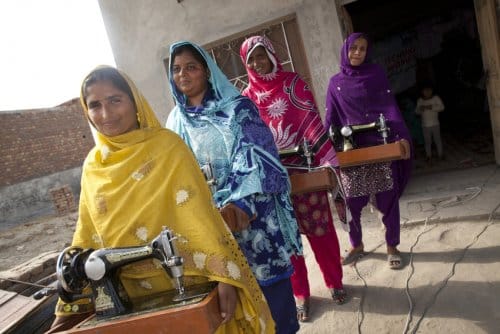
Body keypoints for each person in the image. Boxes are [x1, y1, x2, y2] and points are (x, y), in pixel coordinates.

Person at [49, 66, 275, 333]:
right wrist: (69, 303)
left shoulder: (168, 147)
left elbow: (201, 218)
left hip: (189, 281)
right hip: (128, 296)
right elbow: (86, 232)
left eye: (115, 100)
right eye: (95, 105)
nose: (106, 114)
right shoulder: (93, 166)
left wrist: (225, 277)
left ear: (135, 104)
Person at [165, 41, 303, 334]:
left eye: (191, 67)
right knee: (229, 310)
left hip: (248, 216)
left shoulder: (238, 109)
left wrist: (235, 201)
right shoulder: (175, 121)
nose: (183, 75)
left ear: (206, 71)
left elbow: (254, 154)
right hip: (206, 222)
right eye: (176, 69)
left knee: (274, 308)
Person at [239, 35, 347, 322]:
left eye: (262, 55)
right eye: (251, 59)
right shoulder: (246, 98)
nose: (258, 63)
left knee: (320, 231)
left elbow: (310, 120)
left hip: (304, 168)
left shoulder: (292, 83)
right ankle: (300, 293)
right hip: (272, 182)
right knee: (287, 240)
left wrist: (327, 158)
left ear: (272, 55)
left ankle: (335, 281)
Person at [325, 32, 412, 270]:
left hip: (380, 148)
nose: (358, 53)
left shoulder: (377, 75)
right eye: (354, 48)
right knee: (352, 203)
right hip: (352, 153)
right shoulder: (335, 83)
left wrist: (401, 137)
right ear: (346, 50)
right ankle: (357, 244)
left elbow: (389, 107)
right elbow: (331, 118)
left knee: (388, 200)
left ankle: (392, 245)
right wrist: (326, 150)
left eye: (362, 49)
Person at [415, 82, 445, 163]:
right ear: (422, 91)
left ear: (432, 91)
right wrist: (420, 109)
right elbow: (416, 112)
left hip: (435, 124)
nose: (427, 92)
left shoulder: (436, 98)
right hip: (425, 125)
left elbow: (442, 107)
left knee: (437, 140)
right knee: (427, 141)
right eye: (425, 90)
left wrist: (431, 107)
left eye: (429, 90)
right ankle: (428, 156)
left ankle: (440, 154)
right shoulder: (420, 100)